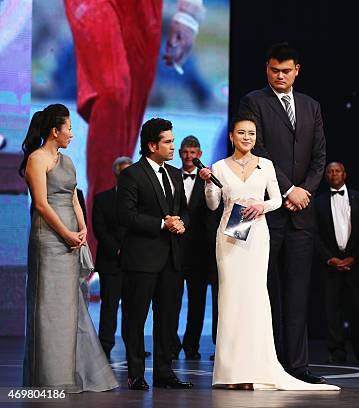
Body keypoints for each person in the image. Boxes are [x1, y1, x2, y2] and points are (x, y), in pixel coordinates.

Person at [199, 114, 338, 391]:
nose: (246, 138)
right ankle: (230, 373)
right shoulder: (219, 166)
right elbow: (213, 205)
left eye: (251, 134)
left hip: (257, 236)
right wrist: (208, 183)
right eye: (241, 133)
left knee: (255, 297)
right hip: (230, 237)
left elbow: (277, 199)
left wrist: (261, 206)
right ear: (231, 136)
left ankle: (255, 368)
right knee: (229, 299)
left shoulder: (266, 166)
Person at [64, 0, 205, 240]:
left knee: (124, 132)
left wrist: (188, 12)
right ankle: (94, 250)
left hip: (144, 8)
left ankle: (104, 255)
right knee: (114, 91)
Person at [238, 43, 326, 384]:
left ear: (297, 70)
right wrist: (288, 189)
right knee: (265, 289)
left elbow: (319, 156)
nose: (280, 76)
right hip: (268, 211)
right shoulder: (253, 102)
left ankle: (298, 365)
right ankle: (266, 360)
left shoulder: (311, 106)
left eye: (286, 71)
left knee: (298, 291)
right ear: (267, 69)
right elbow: (257, 150)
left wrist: (305, 192)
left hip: (302, 215)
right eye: (275, 70)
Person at [20, 103, 118, 392]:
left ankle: (72, 370)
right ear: (55, 131)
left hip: (71, 239)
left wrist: (83, 228)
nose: (72, 135)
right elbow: (40, 203)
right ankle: (50, 377)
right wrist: (64, 233)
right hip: (48, 239)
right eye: (69, 128)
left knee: (70, 306)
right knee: (49, 307)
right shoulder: (37, 159)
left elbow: (74, 197)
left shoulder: (68, 161)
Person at [117, 118, 192, 390]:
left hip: (171, 259)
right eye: (168, 142)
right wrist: (162, 223)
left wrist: (182, 222)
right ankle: (136, 373)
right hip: (141, 259)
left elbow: (183, 209)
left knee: (167, 320)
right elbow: (125, 215)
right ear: (152, 145)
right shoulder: (131, 174)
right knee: (135, 319)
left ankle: (164, 373)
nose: (174, 146)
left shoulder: (174, 174)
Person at [314, 162, 359, 364]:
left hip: (356, 263)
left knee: (358, 310)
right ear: (325, 176)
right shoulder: (317, 202)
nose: (333, 174)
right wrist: (331, 258)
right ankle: (336, 352)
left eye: (337, 171)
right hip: (331, 265)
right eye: (329, 171)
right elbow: (315, 235)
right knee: (332, 311)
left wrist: (354, 257)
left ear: (345, 174)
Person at [174, 135, 220, 360]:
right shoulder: (172, 177)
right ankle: (171, 345)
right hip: (174, 250)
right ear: (180, 153)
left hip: (201, 253)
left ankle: (191, 346)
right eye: (185, 152)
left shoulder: (210, 181)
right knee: (170, 302)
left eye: (193, 152)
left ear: (200, 154)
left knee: (197, 303)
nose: (189, 156)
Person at [93, 156, 133, 361]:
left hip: (135, 263)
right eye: (122, 173)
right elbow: (100, 230)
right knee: (109, 308)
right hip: (111, 262)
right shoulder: (102, 199)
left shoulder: (141, 201)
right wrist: (118, 250)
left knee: (132, 309)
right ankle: (105, 347)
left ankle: (133, 348)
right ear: (115, 174)